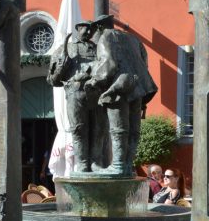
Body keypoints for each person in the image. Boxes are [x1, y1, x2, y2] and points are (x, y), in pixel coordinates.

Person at [86, 14, 158, 175]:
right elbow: (144, 62)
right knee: (133, 129)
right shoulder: (133, 38)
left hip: (118, 88)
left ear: (99, 27)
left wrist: (94, 81)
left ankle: (117, 166)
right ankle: (127, 166)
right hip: (138, 87)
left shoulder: (106, 36)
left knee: (119, 129)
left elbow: (108, 63)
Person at [48, 20, 108, 172]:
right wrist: (62, 66)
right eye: (85, 29)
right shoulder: (66, 48)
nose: (88, 32)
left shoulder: (100, 49)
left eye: (91, 30)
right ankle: (82, 164)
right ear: (77, 28)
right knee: (78, 129)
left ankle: (96, 163)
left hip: (97, 94)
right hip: (75, 93)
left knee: (99, 129)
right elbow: (53, 80)